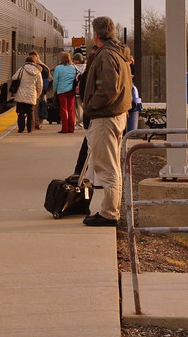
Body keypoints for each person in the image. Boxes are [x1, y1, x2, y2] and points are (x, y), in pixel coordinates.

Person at [80, 16, 132, 227]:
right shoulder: (119, 53)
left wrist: (91, 106)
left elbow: (108, 89)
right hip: (115, 115)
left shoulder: (106, 55)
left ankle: (109, 213)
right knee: (112, 167)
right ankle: (109, 210)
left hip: (105, 117)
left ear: (95, 34)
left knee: (107, 168)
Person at [11, 54, 43, 133]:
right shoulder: (37, 71)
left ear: (26, 62)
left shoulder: (21, 69)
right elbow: (40, 85)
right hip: (31, 95)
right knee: (30, 112)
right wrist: (38, 94)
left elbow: (14, 77)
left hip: (21, 95)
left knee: (21, 113)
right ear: (34, 62)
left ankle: (21, 129)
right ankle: (30, 129)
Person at [51, 51, 79, 133]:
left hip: (62, 91)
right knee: (71, 110)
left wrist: (55, 90)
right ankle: (71, 128)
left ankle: (64, 128)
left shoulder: (58, 68)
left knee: (63, 109)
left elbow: (55, 81)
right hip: (71, 91)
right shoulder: (74, 67)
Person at [28, 49, 51, 130]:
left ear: (37, 57)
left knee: (39, 107)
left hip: (40, 91)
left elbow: (45, 81)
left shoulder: (43, 68)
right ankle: (34, 123)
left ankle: (37, 123)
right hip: (31, 91)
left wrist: (42, 91)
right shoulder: (29, 67)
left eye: (34, 56)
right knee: (34, 108)